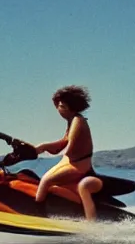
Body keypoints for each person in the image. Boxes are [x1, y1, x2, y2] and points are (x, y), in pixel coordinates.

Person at [33, 85, 103, 221]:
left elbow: (69, 147)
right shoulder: (71, 121)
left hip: (77, 165)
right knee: (50, 184)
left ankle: (37, 214)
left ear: (71, 107)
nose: (59, 109)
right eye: (58, 106)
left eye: (62, 106)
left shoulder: (78, 121)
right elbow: (62, 143)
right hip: (72, 163)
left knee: (45, 181)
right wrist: (41, 147)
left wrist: (49, 150)